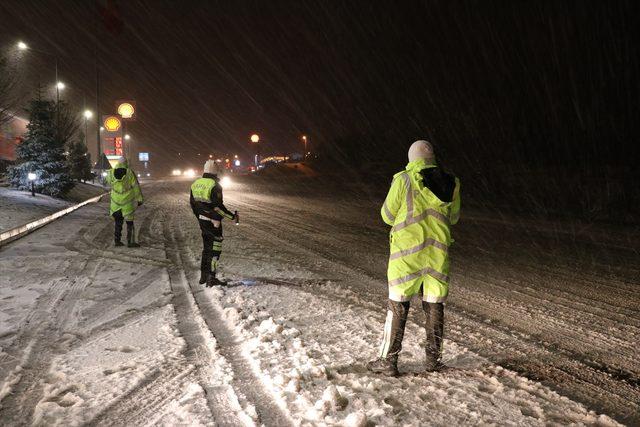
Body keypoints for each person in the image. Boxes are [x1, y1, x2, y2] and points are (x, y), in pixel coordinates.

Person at [367, 140, 461, 376]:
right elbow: (454, 218)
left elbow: (387, 215)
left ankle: (389, 361)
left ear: (411, 158)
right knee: (435, 306)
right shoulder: (451, 183)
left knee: (398, 305)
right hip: (437, 255)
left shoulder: (404, 180)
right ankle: (433, 360)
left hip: (407, 256)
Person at [190, 160, 237, 287]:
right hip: (214, 223)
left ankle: (203, 276)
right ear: (215, 171)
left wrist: (201, 216)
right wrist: (232, 216)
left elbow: (193, 205)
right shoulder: (215, 185)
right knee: (215, 250)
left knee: (206, 248)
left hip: (202, 221)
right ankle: (212, 277)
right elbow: (218, 207)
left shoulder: (196, 184)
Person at [105, 156, 144, 247]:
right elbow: (136, 187)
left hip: (115, 203)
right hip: (127, 203)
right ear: (126, 163)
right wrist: (139, 199)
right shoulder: (130, 173)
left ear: (118, 163)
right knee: (129, 222)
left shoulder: (111, 173)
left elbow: (107, 181)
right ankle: (130, 242)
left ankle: (117, 241)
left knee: (118, 222)